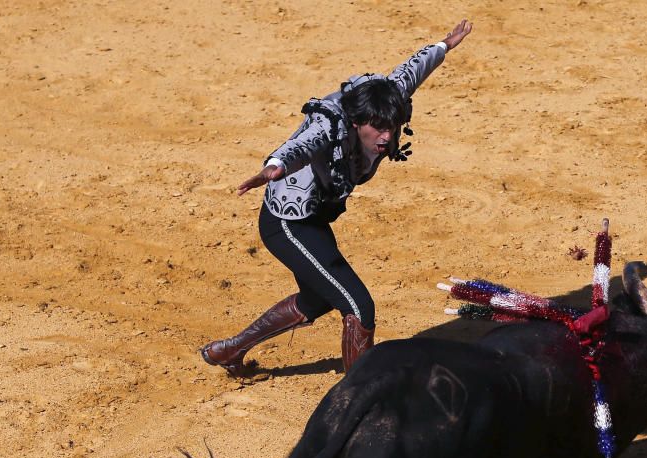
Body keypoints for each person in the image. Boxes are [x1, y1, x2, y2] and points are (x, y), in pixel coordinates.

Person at [202, 20, 473, 376]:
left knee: (317, 298)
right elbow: (302, 145)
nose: (386, 136)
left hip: (313, 218)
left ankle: (229, 351)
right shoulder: (330, 123)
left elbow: (410, 71)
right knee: (359, 307)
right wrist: (275, 165)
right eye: (377, 128)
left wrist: (444, 45)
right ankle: (357, 399)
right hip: (287, 224)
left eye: (391, 128)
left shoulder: (384, 101)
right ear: (358, 121)